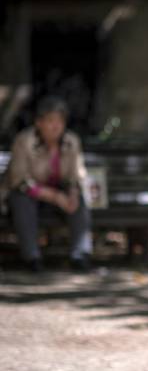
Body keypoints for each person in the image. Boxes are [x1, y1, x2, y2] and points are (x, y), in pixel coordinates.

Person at [2, 96, 91, 271]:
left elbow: (76, 175)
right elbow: (19, 181)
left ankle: (80, 255)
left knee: (79, 200)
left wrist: (72, 193)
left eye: (60, 121)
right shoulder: (24, 141)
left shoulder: (72, 141)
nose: (56, 126)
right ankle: (32, 257)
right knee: (21, 201)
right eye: (50, 121)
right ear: (39, 123)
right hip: (29, 193)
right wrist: (56, 197)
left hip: (58, 192)